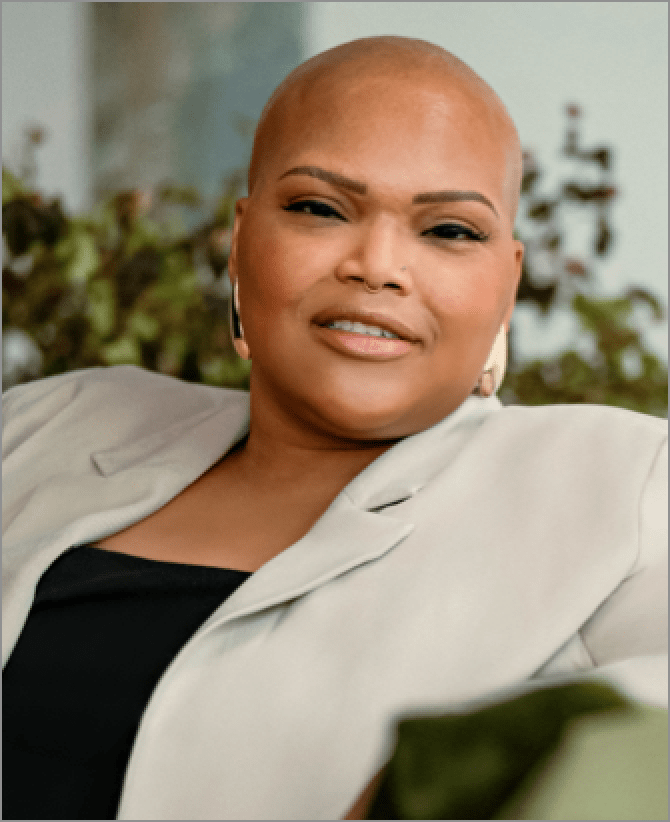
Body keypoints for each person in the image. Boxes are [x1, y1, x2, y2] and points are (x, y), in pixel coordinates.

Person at [2, 35, 666, 821]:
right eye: (319, 208)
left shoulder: (622, 486)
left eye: (450, 230)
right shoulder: (53, 420)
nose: (377, 265)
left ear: (507, 282)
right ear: (241, 241)